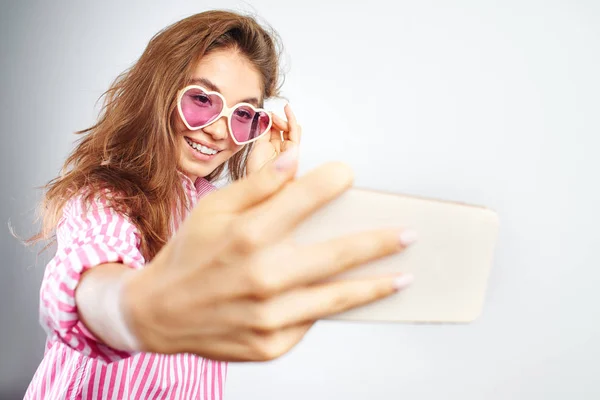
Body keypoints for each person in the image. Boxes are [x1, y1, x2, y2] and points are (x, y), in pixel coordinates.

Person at [24, 9, 416, 400]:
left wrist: (267, 183)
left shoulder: (215, 211)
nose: (216, 131)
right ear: (158, 93)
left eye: (243, 114)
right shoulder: (107, 195)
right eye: (201, 99)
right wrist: (139, 309)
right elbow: (92, 285)